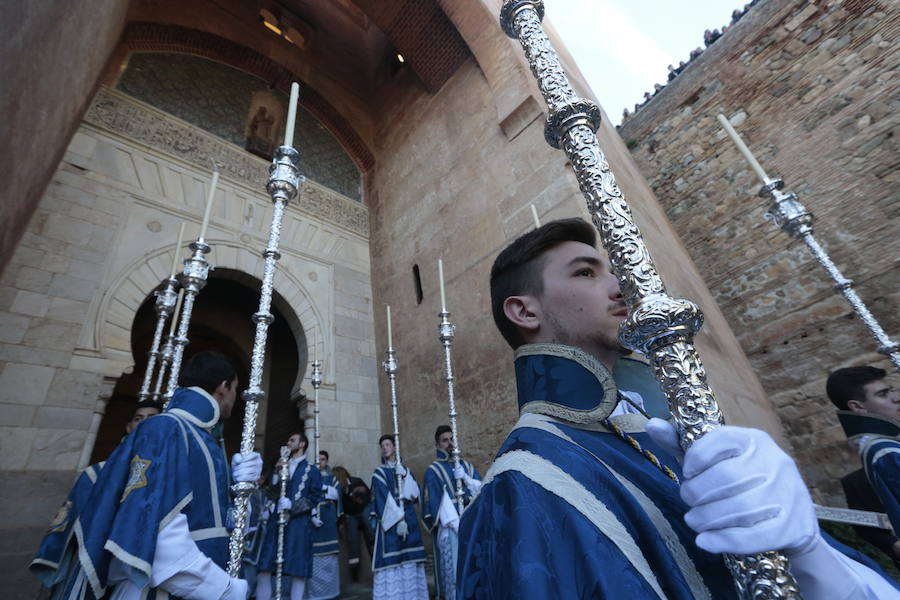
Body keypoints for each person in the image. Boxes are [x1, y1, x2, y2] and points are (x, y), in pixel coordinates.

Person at [457, 218, 900, 599]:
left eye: (612, 269)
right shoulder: (524, 479)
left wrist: (808, 553)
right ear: (524, 311)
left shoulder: (650, 436)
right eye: (586, 273)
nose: (621, 285)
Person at [32, 350, 261, 599]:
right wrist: (223, 589)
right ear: (223, 386)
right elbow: (156, 533)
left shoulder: (204, 440)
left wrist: (242, 489)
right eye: (236, 389)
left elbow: (221, 527)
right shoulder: (165, 428)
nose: (235, 398)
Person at [30, 400, 162, 595]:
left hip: (136, 574)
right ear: (128, 427)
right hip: (89, 564)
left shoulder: (165, 476)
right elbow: (67, 522)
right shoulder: (96, 473)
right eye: (138, 419)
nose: (143, 424)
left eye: (152, 419)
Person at [828, 366, 900, 558]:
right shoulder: (884, 452)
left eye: (891, 390)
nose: (896, 397)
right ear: (858, 407)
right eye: (883, 394)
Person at [255, 431, 323, 600]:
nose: (288, 442)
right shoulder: (281, 464)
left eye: (292, 440)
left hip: (299, 523)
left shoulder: (312, 470)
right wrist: (277, 474)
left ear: (302, 444)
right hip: (276, 522)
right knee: (264, 568)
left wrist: (293, 505)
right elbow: (271, 493)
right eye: (288, 439)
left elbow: (315, 497)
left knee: (297, 569)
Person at [422, 425, 481, 599]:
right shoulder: (434, 471)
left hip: (471, 528)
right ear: (437, 445)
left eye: (451, 439)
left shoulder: (467, 467)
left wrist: (465, 478)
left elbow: (481, 491)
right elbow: (440, 505)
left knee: (475, 572)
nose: (449, 443)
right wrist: (459, 525)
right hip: (452, 529)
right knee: (455, 575)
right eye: (445, 440)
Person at [370, 434, 427, 599]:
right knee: (393, 560)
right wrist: (398, 519)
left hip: (409, 519)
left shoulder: (405, 470)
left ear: (395, 447)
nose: (385, 448)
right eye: (382, 446)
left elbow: (414, 495)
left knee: (410, 558)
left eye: (388, 444)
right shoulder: (379, 472)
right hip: (392, 521)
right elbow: (382, 497)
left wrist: (405, 477)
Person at [307, 450, 342, 600]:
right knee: (313, 559)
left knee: (329, 560)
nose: (320, 462)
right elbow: (306, 497)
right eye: (318, 459)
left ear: (327, 462)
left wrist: (325, 488)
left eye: (322, 459)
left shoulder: (332, 479)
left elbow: (337, 495)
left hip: (328, 523)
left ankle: (331, 594)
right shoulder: (309, 478)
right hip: (312, 522)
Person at [333, 466, 374, 582]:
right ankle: (354, 571)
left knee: (370, 532)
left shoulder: (357, 481)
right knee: (352, 540)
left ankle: (375, 559)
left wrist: (360, 501)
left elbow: (368, 495)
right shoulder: (339, 489)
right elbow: (341, 506)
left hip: (363, 510)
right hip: (351, 515)